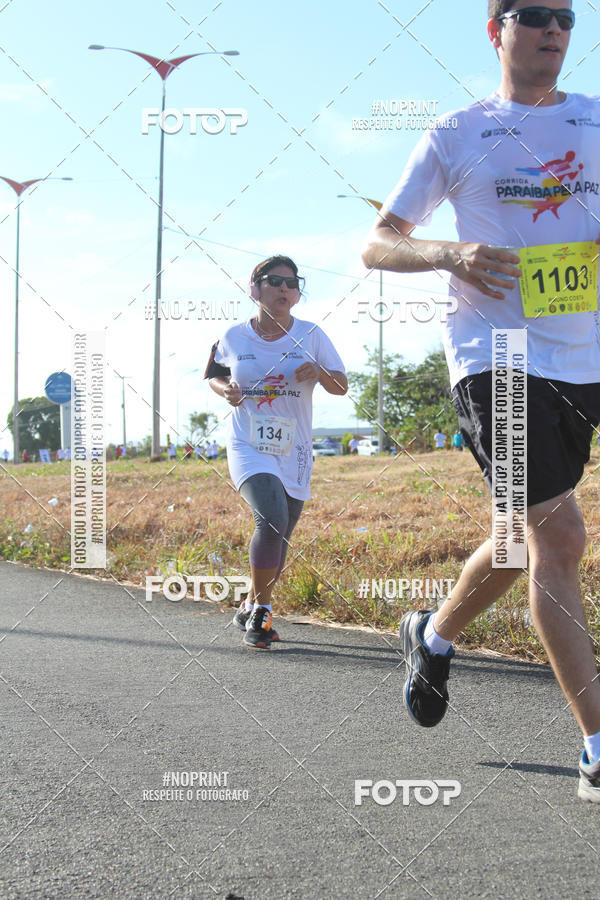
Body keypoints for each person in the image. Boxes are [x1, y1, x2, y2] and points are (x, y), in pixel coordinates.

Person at [363, 1, 600, 802]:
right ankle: (598, 746)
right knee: (557, 536)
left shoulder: (596, 122)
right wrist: (448, 252)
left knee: (513, 542)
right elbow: (378, 240)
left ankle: (431, 635)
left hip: (584, 359)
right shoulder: (457, 131)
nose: (554, 30)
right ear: (496, 30)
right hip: (495, 356)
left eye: (567, 16)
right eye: (533, 15)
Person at [205, 255, 347, 648]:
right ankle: (263, 616)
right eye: (274, 281)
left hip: (294, 448)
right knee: (270, 520)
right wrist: (226, 391)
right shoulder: (233, 336)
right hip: (248, 444)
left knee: (281, 534)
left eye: (291, 283)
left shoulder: (312, 334)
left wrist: (318, 372)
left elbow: (341, 385)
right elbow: (215, 375)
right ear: (254, 289)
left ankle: (249, 604)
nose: (284, 288)